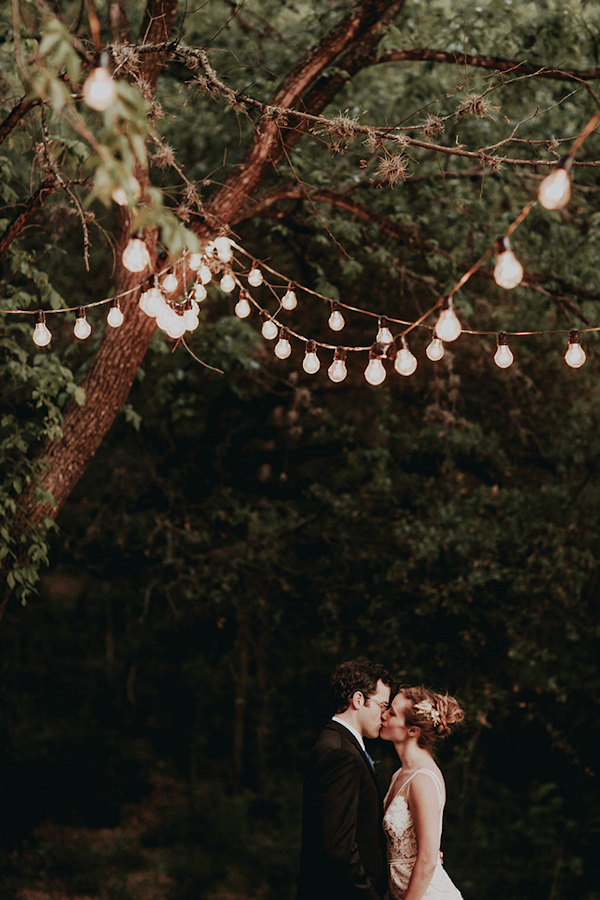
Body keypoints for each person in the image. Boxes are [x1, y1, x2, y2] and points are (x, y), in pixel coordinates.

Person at [297, 660, 392, 900]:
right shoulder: (340, 753)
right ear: (358, 700)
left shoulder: (339, 744)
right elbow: (338, 846)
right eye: (383, 705)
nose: (385, 716)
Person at [379, 686, 464, 900]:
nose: (383, 715)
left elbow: (427, 860)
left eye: (392, 713)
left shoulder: (423, 779)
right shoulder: (400, 774)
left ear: (413, 730)